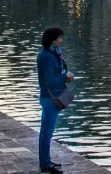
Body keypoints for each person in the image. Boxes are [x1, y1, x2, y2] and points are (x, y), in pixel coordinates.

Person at [37, 26, 74, 174]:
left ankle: (46, 161)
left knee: (46, 132)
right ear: (53, 39)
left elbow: (54, 75)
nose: (61, 40)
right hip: (50, 98)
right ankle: (45, 164)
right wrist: (65, 76)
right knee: (47, 132)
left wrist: (66, 76)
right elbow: (50, 80)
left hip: (54, 96)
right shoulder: (46, 56)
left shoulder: (52, 54)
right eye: (59, 38)